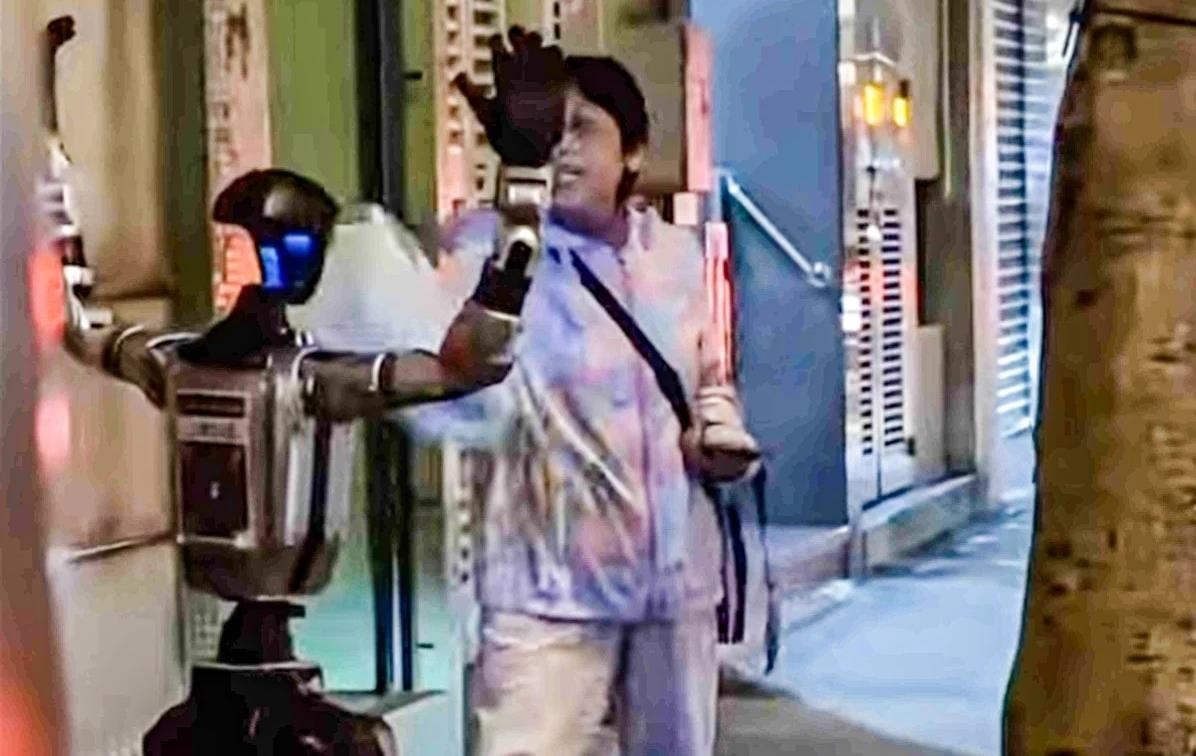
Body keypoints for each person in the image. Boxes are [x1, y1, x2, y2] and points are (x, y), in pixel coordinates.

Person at [411, 28, 761, 756]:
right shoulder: (490, 248)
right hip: (548, 595)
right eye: (548, 131)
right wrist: (517, 208)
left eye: (583, 129)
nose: (562, 148)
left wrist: (719, 434)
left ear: (633, 151)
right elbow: (455, 368)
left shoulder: (674, 256)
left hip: (672, 588)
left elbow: (708, 376)